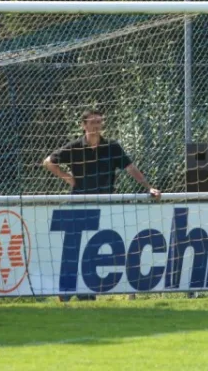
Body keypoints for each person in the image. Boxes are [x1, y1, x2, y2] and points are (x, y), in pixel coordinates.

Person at [43, 109, 161, 302]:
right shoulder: (74, 147)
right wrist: (69, 179)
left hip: (105, 205)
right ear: (84, 125)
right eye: (92, 122)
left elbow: (130, 168)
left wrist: (149, 187)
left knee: (97, 248)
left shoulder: (112, 147)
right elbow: (48, 162)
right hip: (80, 204)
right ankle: (66, 292)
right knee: (75, 249)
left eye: (99, 122)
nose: (96, 126)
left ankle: (87, 292)